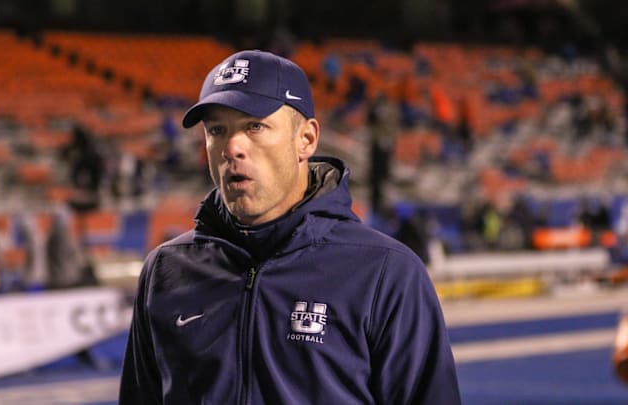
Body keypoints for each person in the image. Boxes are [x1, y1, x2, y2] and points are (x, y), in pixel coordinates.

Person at [120, 50, 460, 404]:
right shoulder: (167, 270)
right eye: (217, 130)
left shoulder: (385, 273)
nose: (232, 147)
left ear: (307, 140)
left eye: (255, 126)